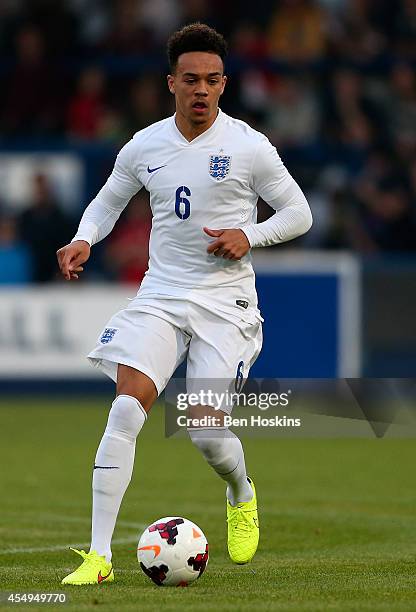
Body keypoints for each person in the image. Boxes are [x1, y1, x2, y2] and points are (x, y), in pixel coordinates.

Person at [57, 23, 312, 585]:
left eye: (213, 80)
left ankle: (240, 491)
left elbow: (299, 213)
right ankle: (99, 558)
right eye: (191, 79)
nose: (202, 90)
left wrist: (251, 233)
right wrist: (84, 238)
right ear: (171, 82)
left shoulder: (248, 146)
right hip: (162, 295)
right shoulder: (144, 145)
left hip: (226, 304)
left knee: (204, 429)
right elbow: (107, 201)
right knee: (126, 409)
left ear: (225, 85)